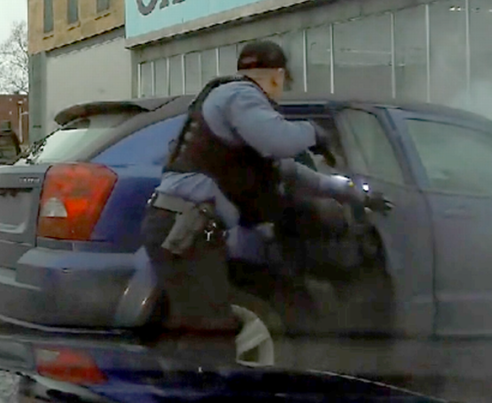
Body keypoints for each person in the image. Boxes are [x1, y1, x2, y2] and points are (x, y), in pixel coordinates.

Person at [140, 39, 391, 364]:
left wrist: (356, 193)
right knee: (210, 333)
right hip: (184, 230)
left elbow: (293, 174)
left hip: (181, 228)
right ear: (276, 76)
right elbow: (279, 142)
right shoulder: (240, 96)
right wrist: (314, 132)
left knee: (195, 328)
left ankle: (182, 387)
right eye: (283, 82)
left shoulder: (238, 120)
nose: (281, 91)